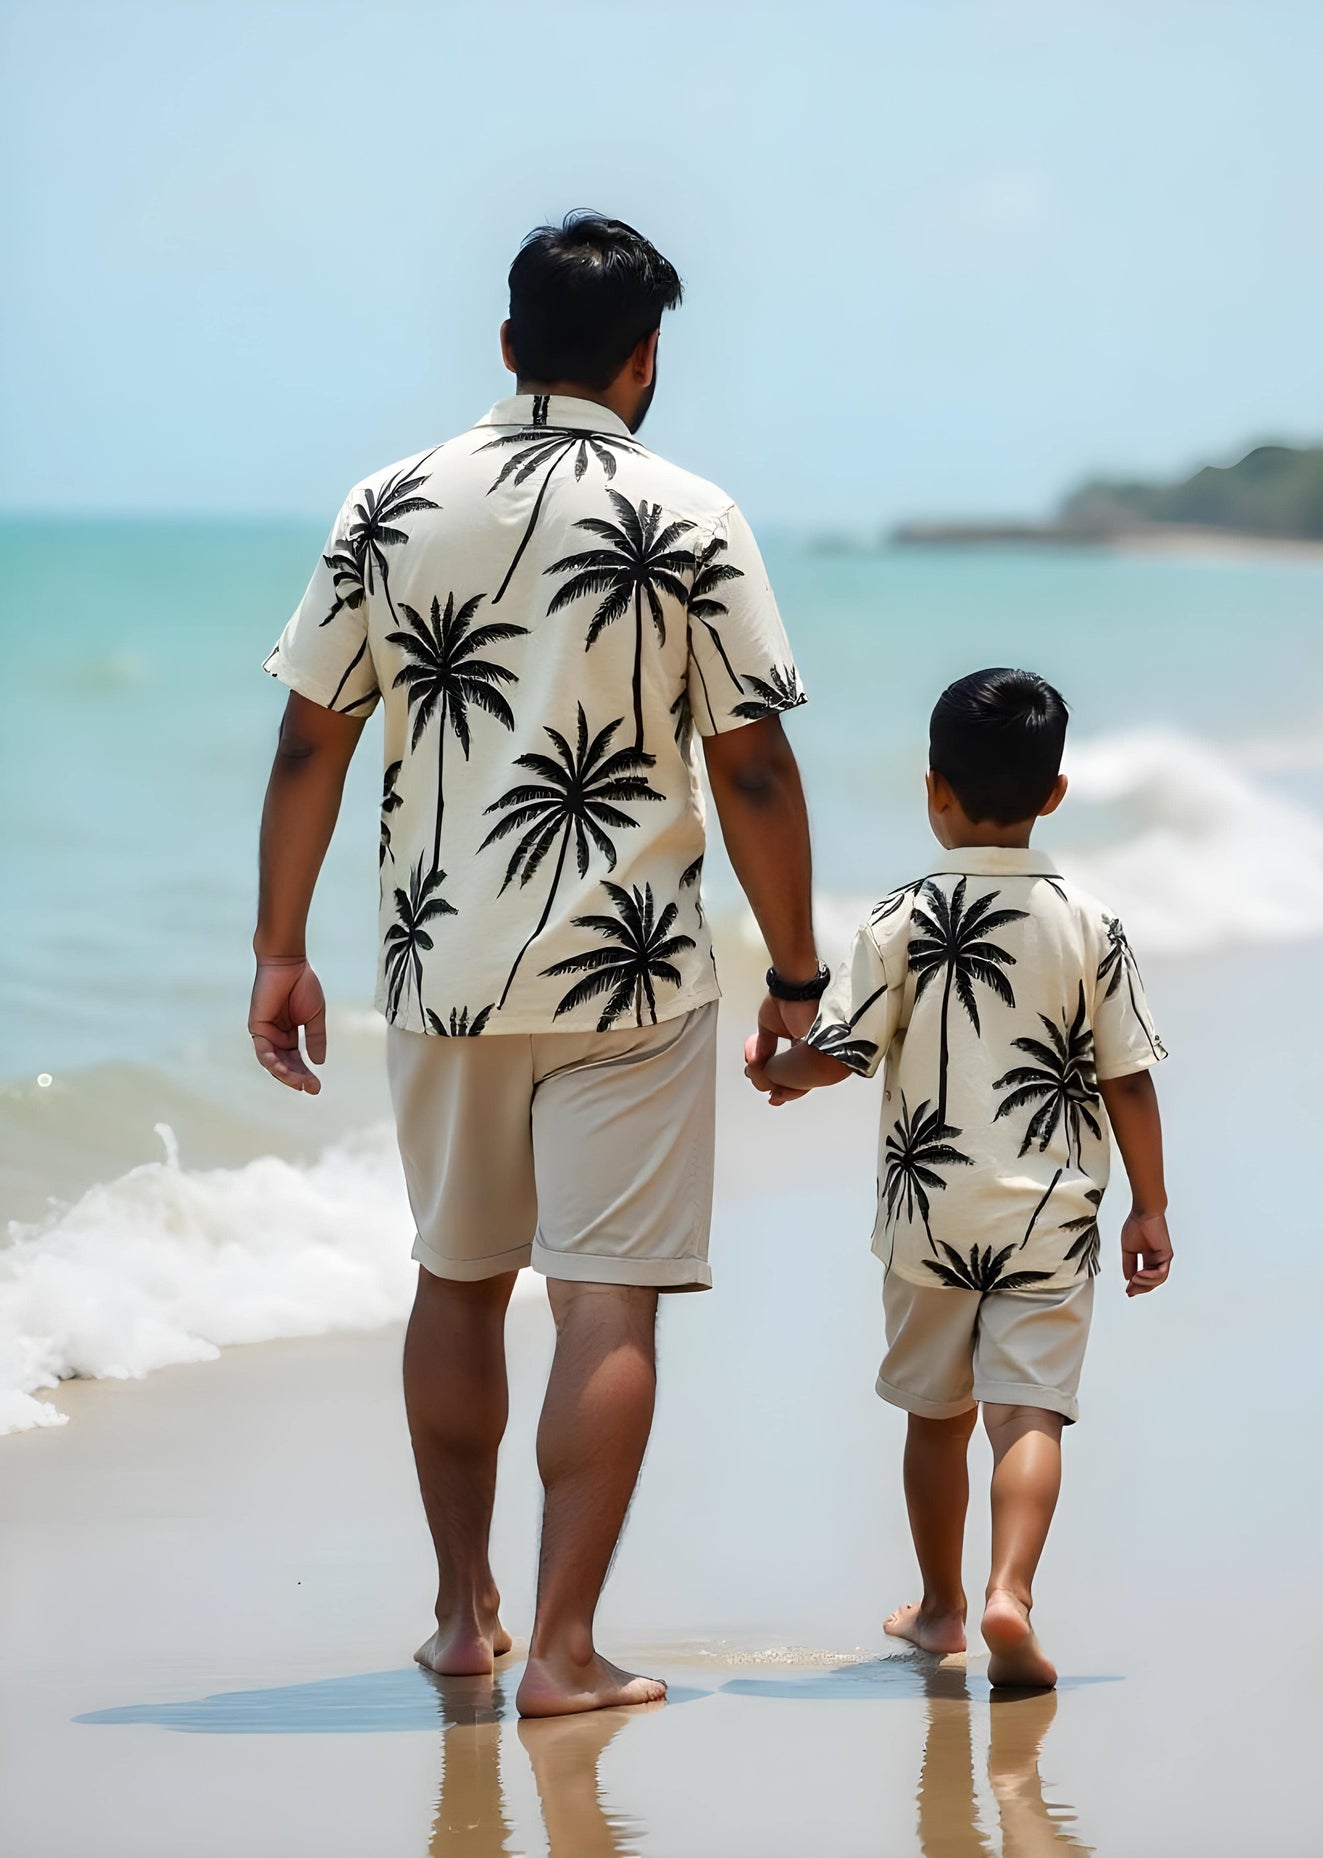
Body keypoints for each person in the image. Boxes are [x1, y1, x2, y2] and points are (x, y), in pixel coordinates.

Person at [249, 212, 826, 1716]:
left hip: (442, 962)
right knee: (604, 1304)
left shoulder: (387, 502)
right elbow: (752, 768)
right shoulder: (690, 512)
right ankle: (566, 1649)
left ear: (509, 346)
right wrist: (798, 979)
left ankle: (461, 1616)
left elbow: (315, 734)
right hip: (629, 972)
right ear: (644, 361)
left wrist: (277, 949)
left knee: (456, 1276)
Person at [746, 668, 1172, 1687]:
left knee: (933, 1419)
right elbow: (1128, 1077)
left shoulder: (897, 918)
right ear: (1053, 793)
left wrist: (779, 1073)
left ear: (931, 788)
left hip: (926, 1217)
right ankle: (1007, 1592)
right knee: (1027, 1412)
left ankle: (938, 1607)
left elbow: (841, 1052)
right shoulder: (1089, 922)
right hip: (1050, 1218)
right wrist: (1148, 1203)